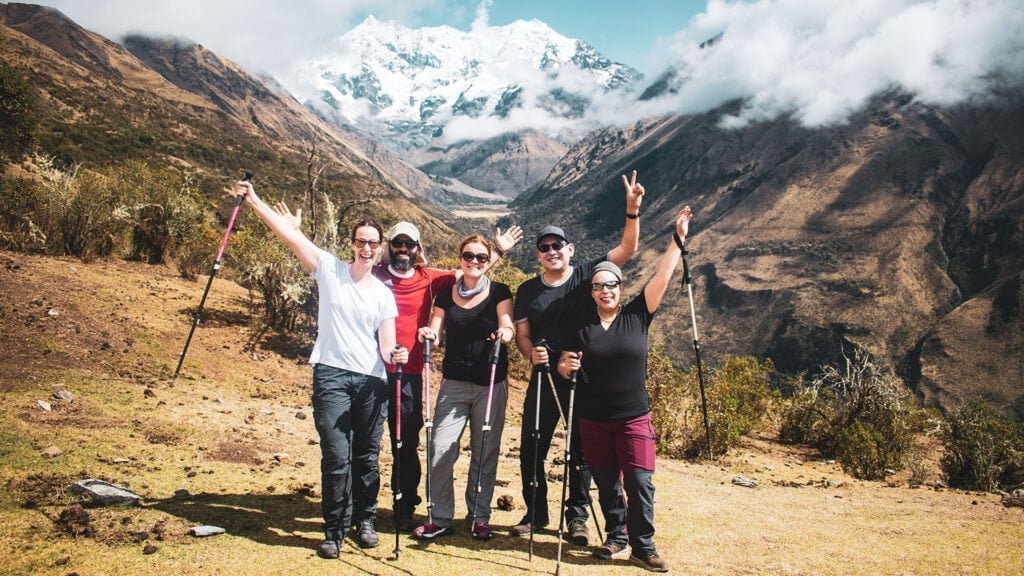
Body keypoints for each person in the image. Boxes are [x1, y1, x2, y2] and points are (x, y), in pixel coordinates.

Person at [271, 205, 522, 532]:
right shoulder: (370, 272)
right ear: (388, 247)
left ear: (418, 249)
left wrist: (498, 250)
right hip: (368, 372)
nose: (403, 249)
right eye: (397, 244)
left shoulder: (431, 280)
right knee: (365, 445)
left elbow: (471, 273)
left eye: (409, 245)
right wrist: (292, 230)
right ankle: (357, 512)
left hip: (410, 374)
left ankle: (405, 507)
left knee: (405, 443)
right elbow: (327, 268)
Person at [230, 181, 408, 558]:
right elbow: (288, 237)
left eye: (373, 243)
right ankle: (334, 529)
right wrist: (254, 200)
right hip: (331, 375)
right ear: (352, 243)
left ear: (380, 249)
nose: (367, 248)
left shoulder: (383, 294)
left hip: (371, 382)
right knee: (335, 454)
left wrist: (398, 355)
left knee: (366, 456)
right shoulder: (329, 269)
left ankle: (366, 520)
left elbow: (387, 344)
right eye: (361, 241)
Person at [511, 171, 646, 545]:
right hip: (543, 378)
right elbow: (522, 335)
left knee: (581, 453)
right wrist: (531, 354)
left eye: (558, 245)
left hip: (580, 378)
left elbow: (627, 251)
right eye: (544, 247)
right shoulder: (527, 290)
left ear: (570, 249)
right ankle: (535, 513)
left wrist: (631, 211)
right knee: (532, 447)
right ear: (537, 255)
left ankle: (577, 520)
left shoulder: (587, 275)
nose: (552, 251)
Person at [558, 207, 693, 574]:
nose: (605, 291)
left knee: (639, 482)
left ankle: (643, 545)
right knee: (606, 483)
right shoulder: (581, 325)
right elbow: (564, 362)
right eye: (598, 286)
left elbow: (663, 276)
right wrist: (564, 365)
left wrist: (678, 239)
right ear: (592, 291)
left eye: (611, 285)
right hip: (593, 420)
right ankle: (617, 537)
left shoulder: (638, 314)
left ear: (621, 287)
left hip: (633, 416)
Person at [411, 235, 515, 541]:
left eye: (482, 258)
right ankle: (440, 516)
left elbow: (507, 323)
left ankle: (479, 517)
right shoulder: (445, 295)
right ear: (460, 258)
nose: (474, 262)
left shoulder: (499, 291)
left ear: (488, 261)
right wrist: (430, 333)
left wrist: (505, 333)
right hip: (454, 382)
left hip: (491, 383)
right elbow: (438, 331)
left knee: (485, 450)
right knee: (440, 447)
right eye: (469, 256)